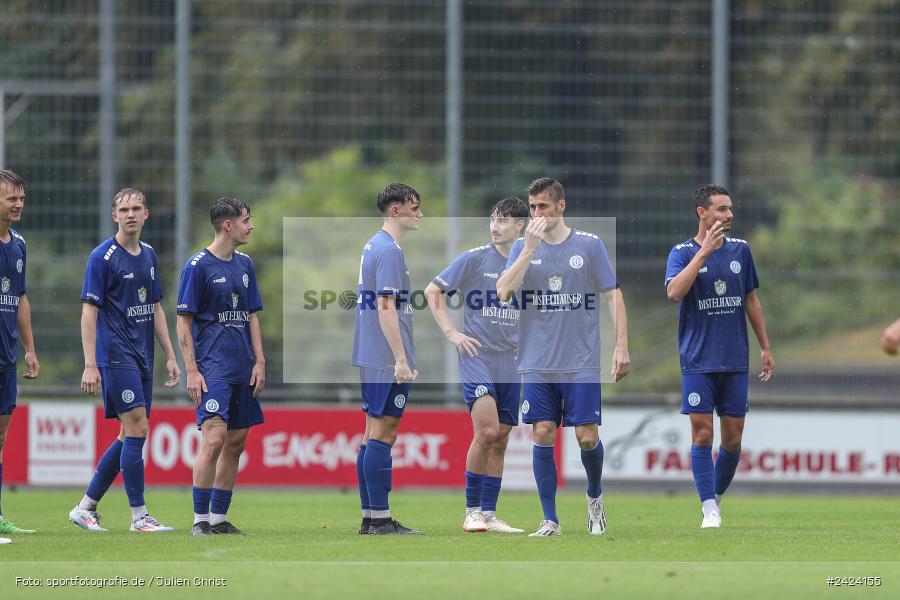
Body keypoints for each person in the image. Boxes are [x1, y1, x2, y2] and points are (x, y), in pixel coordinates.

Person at [497, 177, 630, 537]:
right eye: (532, 207)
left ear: (560, 207)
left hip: (581, 361)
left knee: (587, 436)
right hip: (537, 361)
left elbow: (612, 295)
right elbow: (504, 291)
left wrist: (621, 344)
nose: (536, 213)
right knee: (542, 432)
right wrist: (527, 249)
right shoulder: (524, 247)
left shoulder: (589, 245)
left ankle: (594, 496)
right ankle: (550, 520)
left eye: (542, 206)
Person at [69, 188, 180, 533]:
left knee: (128, 433)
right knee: (138, 428)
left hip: (143, 357)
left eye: (136, 208)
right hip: (116, 356)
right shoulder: (102, 258)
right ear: (114, 215)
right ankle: (139, 516)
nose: (130, 214)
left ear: (146, 214)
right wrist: (90, 363)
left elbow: (155, 308)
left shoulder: (148, 254)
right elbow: (89, 313)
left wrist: (171, 356)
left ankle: (86, 507)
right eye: (123, 209)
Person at [664, 184, 775, 529]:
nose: (730, 215)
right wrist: (703, 254)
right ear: (702, 212)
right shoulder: (682, 252)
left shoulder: (741, 251)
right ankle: (708, 507)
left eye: (730, 209)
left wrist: (766, 347)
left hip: (735, 360)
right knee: (701, 435)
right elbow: (673, 293)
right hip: (698, 360)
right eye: (722, 209)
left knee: (733, 438)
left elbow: (750, 300)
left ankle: (715, 495)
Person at [424, 196, 529, 534]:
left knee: (500, 437)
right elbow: (432, 292)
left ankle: (489, 514)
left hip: (511, 360)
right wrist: (453, 332)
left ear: (519, 226)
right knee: (485, 431)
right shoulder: (474, 259)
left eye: (502, 220)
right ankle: (470, 512)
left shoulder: (529, 262)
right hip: (477, 355)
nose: (494, 226)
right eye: (492, 219)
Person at [177, 198, 265, 536]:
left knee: (236, 442)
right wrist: (192, 370)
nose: (251, 225)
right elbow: (183, 321)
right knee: (213, 441)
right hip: (212, 369)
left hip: (243, 366)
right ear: (227, 225)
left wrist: (259, 360)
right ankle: (200, 520)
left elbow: (252, 315)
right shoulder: (197, 266)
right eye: (246, 220)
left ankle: (219, 519)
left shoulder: (245, 264)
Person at [351, 183, 424, 535]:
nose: (419, 214)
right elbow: (386, 307)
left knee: (370, 433)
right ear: (395, 211)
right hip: (384, 357)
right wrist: (401, 358)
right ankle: (380, 519)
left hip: (371, 353)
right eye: (414, 208)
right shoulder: (390, 250)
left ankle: (370, 517)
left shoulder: (373, 245)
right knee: (384, 432)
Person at [0, 170, 39, 541]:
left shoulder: (19, 244)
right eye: (11, 198)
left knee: (0, 437)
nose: (18, 204)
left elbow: (20, 298)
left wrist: (29, 349)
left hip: (6, 357)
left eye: (21, 199)